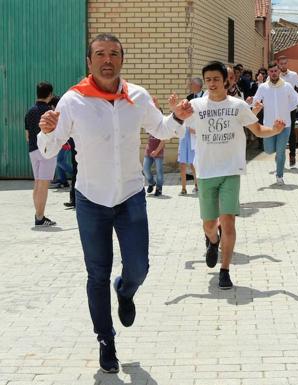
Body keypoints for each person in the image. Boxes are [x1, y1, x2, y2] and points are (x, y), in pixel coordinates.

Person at [37, 33, 191, 373]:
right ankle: (106, 340)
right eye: (100, 54)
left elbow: (162, 129)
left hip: (130, 196)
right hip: (91, 200)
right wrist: (46, 131)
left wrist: (178, 116)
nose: (108, 60)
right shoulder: (73, 101)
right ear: (89, 62)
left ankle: (126, 290)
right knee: (97, 274)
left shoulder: (137, 96)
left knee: (139, 267)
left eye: (114, 54)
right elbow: (49, 149)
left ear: (122, 59)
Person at [179, 60, 285, 289]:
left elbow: (257, 130)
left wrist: (275, 130)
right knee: (209, 224)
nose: (212, 83)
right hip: (206, 172)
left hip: (230, 171)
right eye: (208, 80)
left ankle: (225, 270)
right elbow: (176, 125)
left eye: (216, 79)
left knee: (228, 223)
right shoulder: (196, 105)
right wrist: (176, 112)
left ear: (225, 80)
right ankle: (212, 240)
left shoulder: (238, 106)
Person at [252, 61, 298, 185]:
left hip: (284, 125)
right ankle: (278, 157)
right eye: (271, 71)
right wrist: (250, 102)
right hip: (268, 126)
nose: (274, 73)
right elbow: (255, 102)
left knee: (280, 151)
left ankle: (279, 175)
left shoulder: (287, 86)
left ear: (279, 71)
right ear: (268, 73)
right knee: (269, 150)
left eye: (276, 71)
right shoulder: (263, 87)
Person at [25, 81, 57, 226]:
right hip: (46, 151)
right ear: (50, 95)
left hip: (33, 150)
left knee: (38, 182)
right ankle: (40, 217)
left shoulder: (30, 111)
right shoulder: (50, 112)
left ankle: (38, 215)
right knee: (44, 184)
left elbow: (27, 136)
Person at [277, 55, 298, 166]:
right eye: (281, 63)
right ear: (278, 63)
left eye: (285, 63)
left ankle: (292, 155)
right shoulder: (275, 75)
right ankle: (279, 155)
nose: (283, 65)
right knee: (278, 131)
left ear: (287, 63)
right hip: (278, 108)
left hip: (291, 107)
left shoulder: (293, 75)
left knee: (291, 132)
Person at [179, 78, 203, 195]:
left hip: (199, 132)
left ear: (197, 86)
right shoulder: (188, 98)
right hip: (188, 132)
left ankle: (198, 184)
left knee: (196, 160)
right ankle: (185, 187)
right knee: (187, 160)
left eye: (191, 84)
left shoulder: (205, 97)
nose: (190, 86)